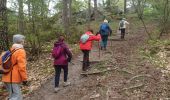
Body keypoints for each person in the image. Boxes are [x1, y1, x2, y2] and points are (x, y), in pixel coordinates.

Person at [2, 34, 28, 100]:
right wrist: (24, 79)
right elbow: (22, 67)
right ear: (21, 41)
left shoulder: (10, 50)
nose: (24, 41)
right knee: (16, 97)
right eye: (23, 40)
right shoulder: (20, 51)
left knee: (15, 97)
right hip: (13, 79)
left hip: (6, 77)